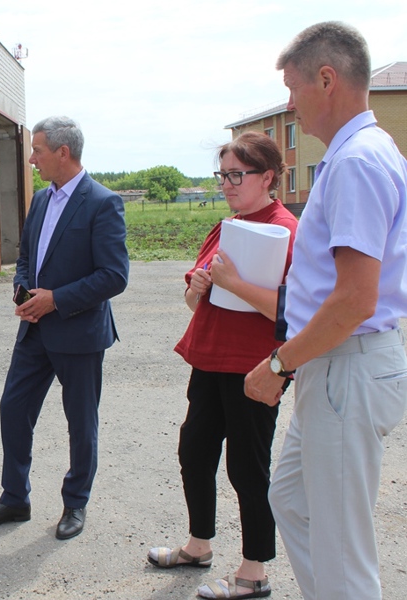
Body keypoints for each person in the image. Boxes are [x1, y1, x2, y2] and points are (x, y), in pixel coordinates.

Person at [245, 22, 407, 600]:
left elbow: (354, 299)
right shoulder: (359, 153)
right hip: (338, 365)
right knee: (292, 499)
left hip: (345, 364)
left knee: (343, 554)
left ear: (327, 79)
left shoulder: (357, 162)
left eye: (292, 88)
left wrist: (279, 364)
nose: (289, 105)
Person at [147, 132, 298, 600]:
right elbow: (198, 301)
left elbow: (292, 310)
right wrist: (199, 288)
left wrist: (231, 281)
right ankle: (199, 545)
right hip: (209, 359)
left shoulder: (285, 230)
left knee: (247, 468)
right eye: (223, 175)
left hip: (254, 368)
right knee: (194, 452)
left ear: (267, 177)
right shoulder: (228, 225)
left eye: (237, 174)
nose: (228, 184)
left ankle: (254, 571)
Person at [0, 116, 129, 540]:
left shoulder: (102, 202)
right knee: (13, 409)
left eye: (37, 150)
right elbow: (25, 256)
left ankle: (75, 504)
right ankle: (15, 498)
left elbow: (114, 275)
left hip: (78, 332)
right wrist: (23, 290)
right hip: (35, 331)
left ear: (63, 152)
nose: (32, 158)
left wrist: (55, 299)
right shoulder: (40, 199)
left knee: (81, 423)